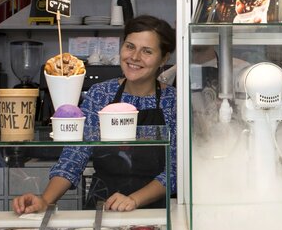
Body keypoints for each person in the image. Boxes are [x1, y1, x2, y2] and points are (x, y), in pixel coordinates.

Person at [13, 15, 177, 213]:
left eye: (147, 51)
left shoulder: (173, 101)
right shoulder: (100, 94)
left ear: (164, 58)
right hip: (102, 206)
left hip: (156, 210)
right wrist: (45, 200)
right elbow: (76, 154)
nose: (134, 57)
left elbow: (176, 168)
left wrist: (134, 200)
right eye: (130, 46)